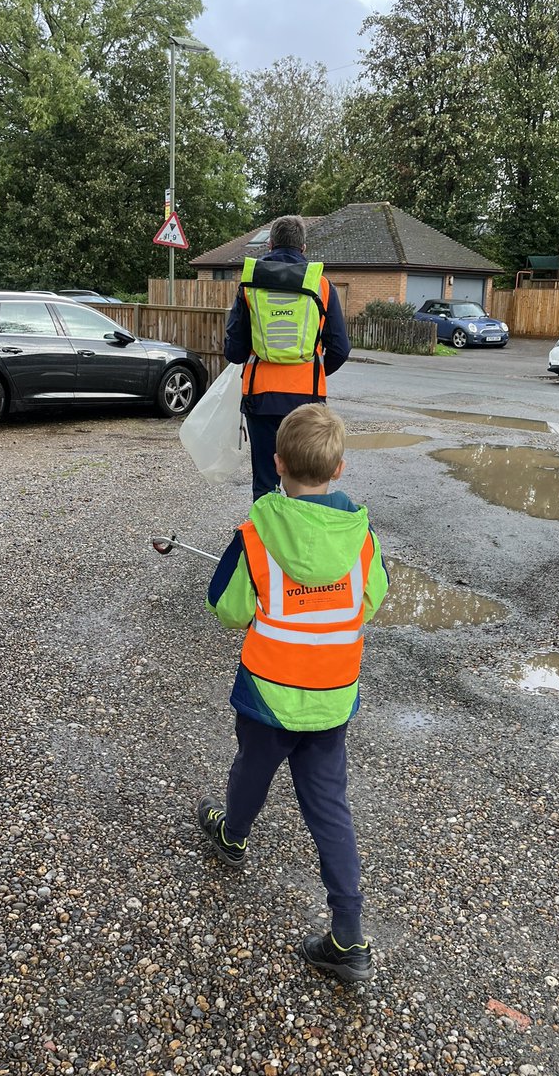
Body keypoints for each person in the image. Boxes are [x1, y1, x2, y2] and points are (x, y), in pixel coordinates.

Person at [198, 403, 389, 982]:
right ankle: (349, 936)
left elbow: (226, 608)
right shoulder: (360, 537)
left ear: (277, 464)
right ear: (340, 469)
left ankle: (232, 835)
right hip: (331, 695)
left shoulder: (256, 533)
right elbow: (371, 601)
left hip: (267, 693)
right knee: (330, 805)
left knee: (252, 769)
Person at [223, 214, 351, 500]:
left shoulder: (249, 285)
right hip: (307, 399)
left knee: (266, 482)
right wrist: (314, 370)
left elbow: (234, 351)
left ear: (269, 245)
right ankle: (299, 539)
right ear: (303, 248)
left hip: (261, 398)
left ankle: (266, 541)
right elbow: (341, 348)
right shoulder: (323, 286)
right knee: (307, 478)